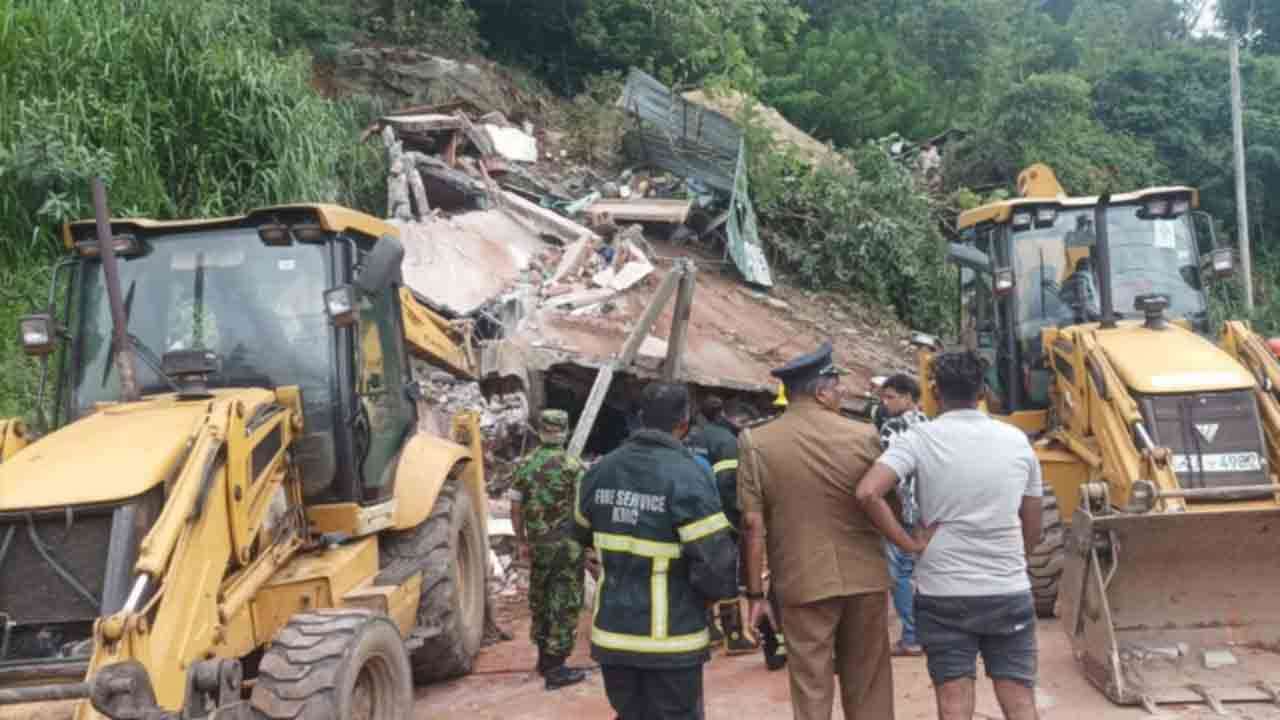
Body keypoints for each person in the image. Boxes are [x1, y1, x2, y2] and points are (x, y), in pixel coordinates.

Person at [856, 351, 1044, 720]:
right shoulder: (1017, 441)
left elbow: (867, 492)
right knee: (1020, 702)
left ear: (936, 391)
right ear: (983, 391)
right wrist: (1013, 555)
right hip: (1007, 589)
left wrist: (909, 544)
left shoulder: (919, 439)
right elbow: (1033, 527)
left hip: (943, 593)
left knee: (954, 705)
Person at [738, 341, 896, 720]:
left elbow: (752, 523)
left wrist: (756, 593)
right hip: (865, 578)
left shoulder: (756, 442)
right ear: (821, 391)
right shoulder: (864, 435)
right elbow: (888, 507)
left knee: (811, 684)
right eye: (838, 385)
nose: (843, 392)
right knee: (869, 682)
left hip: (802, 580)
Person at [576, 383, 739, 720]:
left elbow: (578, 536)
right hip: (672, 642)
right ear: (684, 422)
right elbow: (716, 565)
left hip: (614, 638)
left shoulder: (600, 471)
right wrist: (704, 602)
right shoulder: (688, 475)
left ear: (639, 418)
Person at [509, 409, 589, 690]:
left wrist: (521, 541)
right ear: (564, 431)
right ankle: (556, 669)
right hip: (567, 546)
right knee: (564, 601)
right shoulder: (572, 466)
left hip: (538, 544)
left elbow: (515, 507)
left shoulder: (525, 464)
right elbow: (583, 509)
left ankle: (544, 659)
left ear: (541, 430)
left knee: (540, 598)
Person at [875, 373, 929, 657]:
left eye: (891, 397)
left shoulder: (891, 427)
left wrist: (898, 514)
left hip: (906, 514)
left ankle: (911, 637)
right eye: (883, 398)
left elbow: (893, 476)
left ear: (908, 397)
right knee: (924, 573)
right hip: (931, 510)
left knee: (900, 574)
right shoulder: (929, 423)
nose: (885, 403)